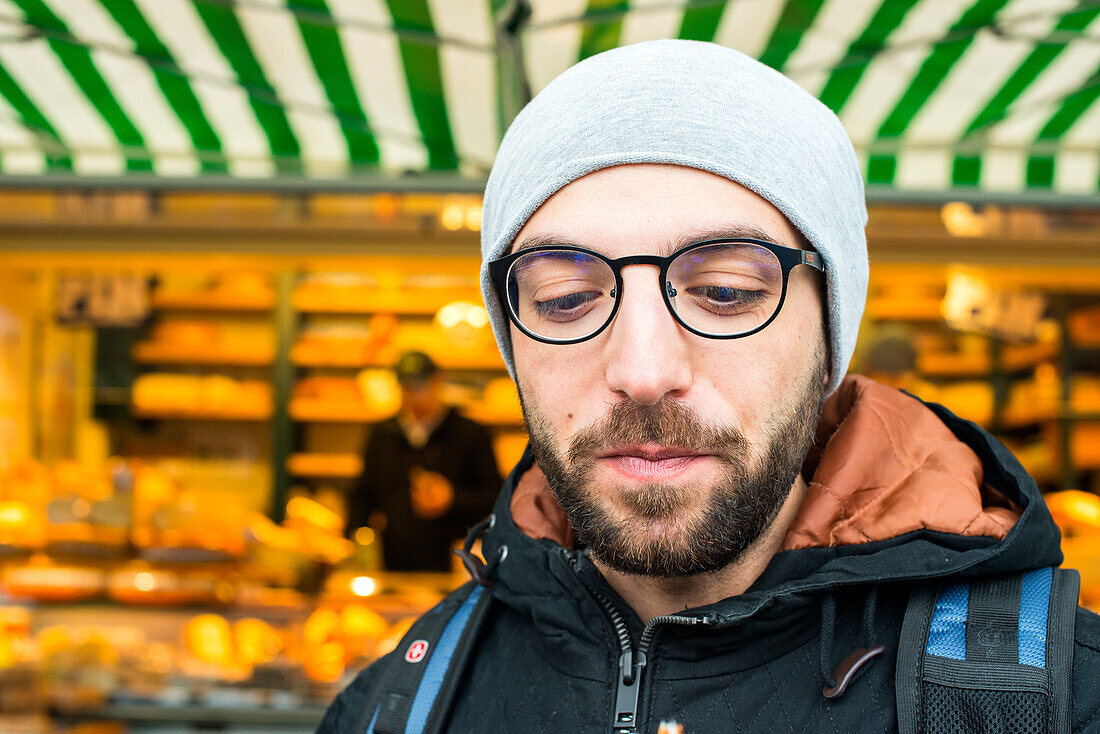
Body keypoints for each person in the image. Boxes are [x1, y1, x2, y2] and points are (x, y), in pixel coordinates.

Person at [320, 41, 1100, 732]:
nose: (644, 372)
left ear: (830, 337)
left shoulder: (1051, 701)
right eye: (565, 299)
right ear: (513, 341)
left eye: (725, 291)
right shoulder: (403, 704)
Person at [345, 351, 500, 571]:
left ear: (437, 381)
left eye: (420, 385)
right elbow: (362, 495)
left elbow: (494, 497)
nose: (414, 394)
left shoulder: (471, 434)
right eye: (407, 387)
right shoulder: (382, 434)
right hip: (392, 563)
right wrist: (354, 546)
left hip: (456, 563)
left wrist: (452, 498)